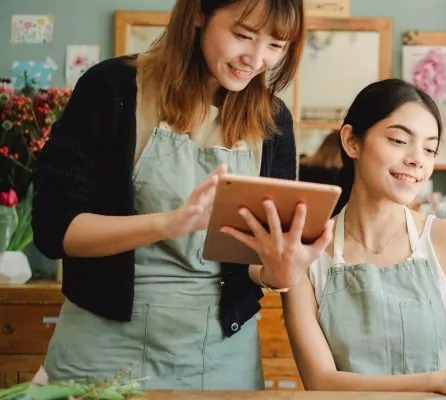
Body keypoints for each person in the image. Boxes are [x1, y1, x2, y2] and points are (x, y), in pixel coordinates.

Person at [30, 0, 332, 391]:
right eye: (242, 35)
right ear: (199, 14)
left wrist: (280, 270)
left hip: (220, 353)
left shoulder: (272, 120)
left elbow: (254, 267)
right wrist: (167, 224)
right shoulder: (112, 88)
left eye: (276, 46)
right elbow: (55, 230)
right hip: (101, 345)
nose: (256, 59)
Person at [280, 79, 446, 395]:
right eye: (398, 140)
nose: (417, 159)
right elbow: (321, 382)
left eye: (430, 148)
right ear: (352, 142)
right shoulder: (306, 250)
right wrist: (442, 379)